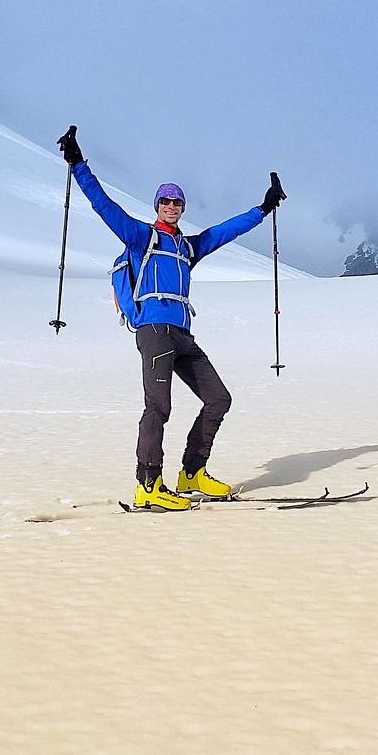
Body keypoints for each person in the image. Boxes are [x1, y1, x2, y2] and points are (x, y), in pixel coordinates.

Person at [57, 126, 286, 511]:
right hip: (154, 331)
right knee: (158, 407)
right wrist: (78, 163)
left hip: (181, 334)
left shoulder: (186, 247)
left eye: (178, 202)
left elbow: (225, 231)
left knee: (218, 399)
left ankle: (192, 473)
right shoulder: (140, 236)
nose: (172, 206)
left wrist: (262, 209)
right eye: (165, 201)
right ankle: (148, 485)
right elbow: (103, 204)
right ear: (157, 205)